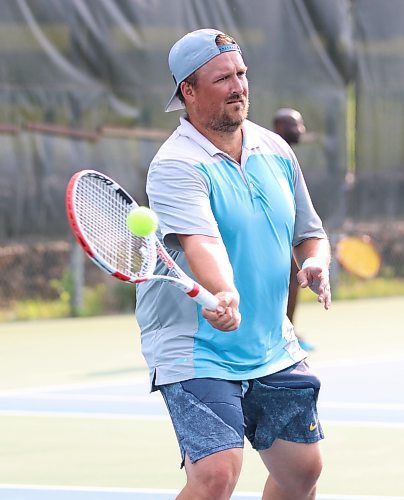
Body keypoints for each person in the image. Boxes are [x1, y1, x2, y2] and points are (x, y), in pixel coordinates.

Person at [136, 29, 331, 500]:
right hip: (195, 344)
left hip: (269, 340)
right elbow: (202, 242)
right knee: (216, 475)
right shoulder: (176, 164)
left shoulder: (275, 150)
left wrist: (315, 263)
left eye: (241, 73)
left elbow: (310, 233)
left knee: (302, 471)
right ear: (189, 90)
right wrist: (223, 292)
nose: (238, 86)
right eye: (222, 78)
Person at [273, 108, 316, 352]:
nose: (301, 130)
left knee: (291, 277)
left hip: (288, 232)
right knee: (287, 277)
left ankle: (287, 330)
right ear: (280, 127)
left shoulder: (284, 153)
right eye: (295, 125)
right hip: (274, 233)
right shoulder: (270, 152)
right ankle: (282, 332)